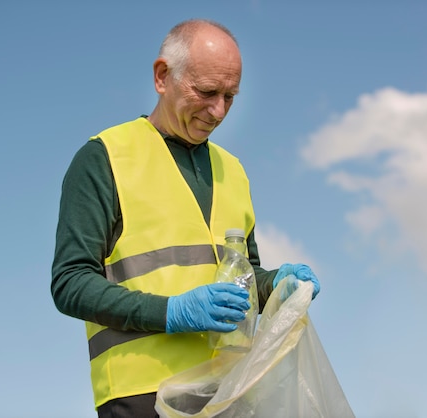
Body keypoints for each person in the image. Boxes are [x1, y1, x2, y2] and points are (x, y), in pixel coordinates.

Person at [51, 19, 321, 418]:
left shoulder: (233, 171)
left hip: (230, 393)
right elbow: (70, 282)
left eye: (230, 96)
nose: (219, 111)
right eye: (208, 92)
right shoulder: (105, 157)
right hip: (142, 397)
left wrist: (277, 285)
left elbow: (245, 278)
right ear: (163, 76)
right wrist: (172, 312)